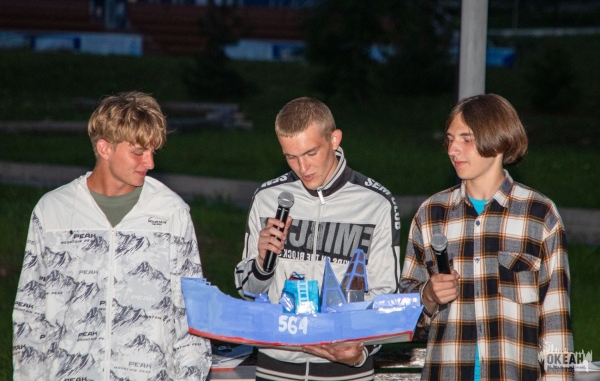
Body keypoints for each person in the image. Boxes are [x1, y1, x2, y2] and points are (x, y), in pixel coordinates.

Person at [12, 91, 211, 380]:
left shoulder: (171, 213)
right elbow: (30, 314)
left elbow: (191, 314)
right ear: (105, 149)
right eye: (138, 152)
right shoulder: (52, 211)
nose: (150, 163)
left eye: (153, 152)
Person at [400, 93, 573, 380]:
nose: (453, 149)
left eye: (466, 139)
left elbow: (556, 320)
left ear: (499, 141)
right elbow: (402, 314)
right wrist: (427, 296)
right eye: (449, 139)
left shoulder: (539, 214)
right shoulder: (431, 214)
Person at [234, 97, 401, 381]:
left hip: (347, 371)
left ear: (334, 140)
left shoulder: (375, 203)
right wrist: (262, 264)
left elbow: (386, 296)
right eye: (291, 157)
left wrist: (360, 353)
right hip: (275, 367)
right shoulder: (267, 199)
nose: (302, 167)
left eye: (311, 153)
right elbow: (247, 291)